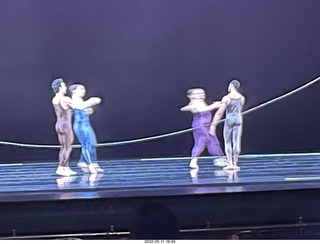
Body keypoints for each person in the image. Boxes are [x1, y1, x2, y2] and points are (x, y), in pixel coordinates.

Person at [181, 88, 224, 169]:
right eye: (198, 93)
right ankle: (218, 159)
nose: (201, 95)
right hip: (201, 125)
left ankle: (195, 160)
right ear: (191, 96)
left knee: (204, 142)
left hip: (205, 124)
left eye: (202, 93)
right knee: (208, 140)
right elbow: (201, 109)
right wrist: (214, 106)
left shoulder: (200, 102)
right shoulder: (194, 103)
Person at [210, 80, 245, 170]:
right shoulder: (242, 97)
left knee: (228, 141)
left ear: (232, 85)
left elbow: (219, 113)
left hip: (229, 119)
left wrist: (213, 124)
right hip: (238, 119)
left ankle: (230, 163)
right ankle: (235, 163)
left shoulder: (226, 98)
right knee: (236, 141)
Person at [69, 84, 103, 174]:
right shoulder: (73, 100)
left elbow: (82, 109)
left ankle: (86, 161)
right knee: (86, 145)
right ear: (74, 91)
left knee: (92, 143)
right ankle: (90, 164)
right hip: (80, 126)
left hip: (86, 124)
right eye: (81, 89)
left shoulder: (80, 100)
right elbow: (80, 107)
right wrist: (91, 101)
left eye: (83, 88)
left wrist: (88, 110)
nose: (83, 90)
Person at [51, 78, 77, 177]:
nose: (66, 87)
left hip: (58, 123)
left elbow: (64, 110)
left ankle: (65, 167)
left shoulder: (54, 99)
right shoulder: (65, 99)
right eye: (64, 86)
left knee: (63, 147)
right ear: (61, 87)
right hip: (65, 124)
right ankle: (61, 167)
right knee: (68, 147)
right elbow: (77, 106)